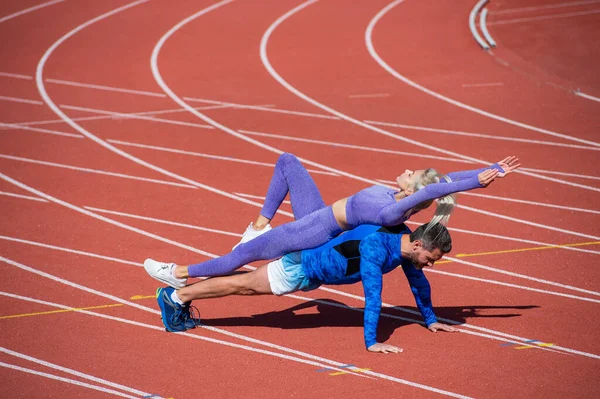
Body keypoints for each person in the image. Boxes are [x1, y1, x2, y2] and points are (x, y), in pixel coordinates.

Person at [144, 153, 520, 285]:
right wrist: (491, 170)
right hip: (318, 214)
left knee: (244, 256)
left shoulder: (395, 209)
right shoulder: (397, 196)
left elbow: (434, 190)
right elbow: (445, 180)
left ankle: (176, 271)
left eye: (410, 173)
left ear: (411, 191)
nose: (405, 170)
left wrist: (475, 185)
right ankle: (258, 223)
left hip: (312, 231)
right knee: (288, 161)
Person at [154, 222, 456, 354]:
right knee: (244, 285)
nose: (430, 264)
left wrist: (430, 319)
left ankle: (179, 295)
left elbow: (418, 282)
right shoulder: (377, 248)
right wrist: (371, 342)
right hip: (304, 266)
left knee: (245, 283)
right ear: (418, 244)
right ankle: (176, 296)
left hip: (312, 257)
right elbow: (373, 296)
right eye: (431, 258)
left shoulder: (403, 240)